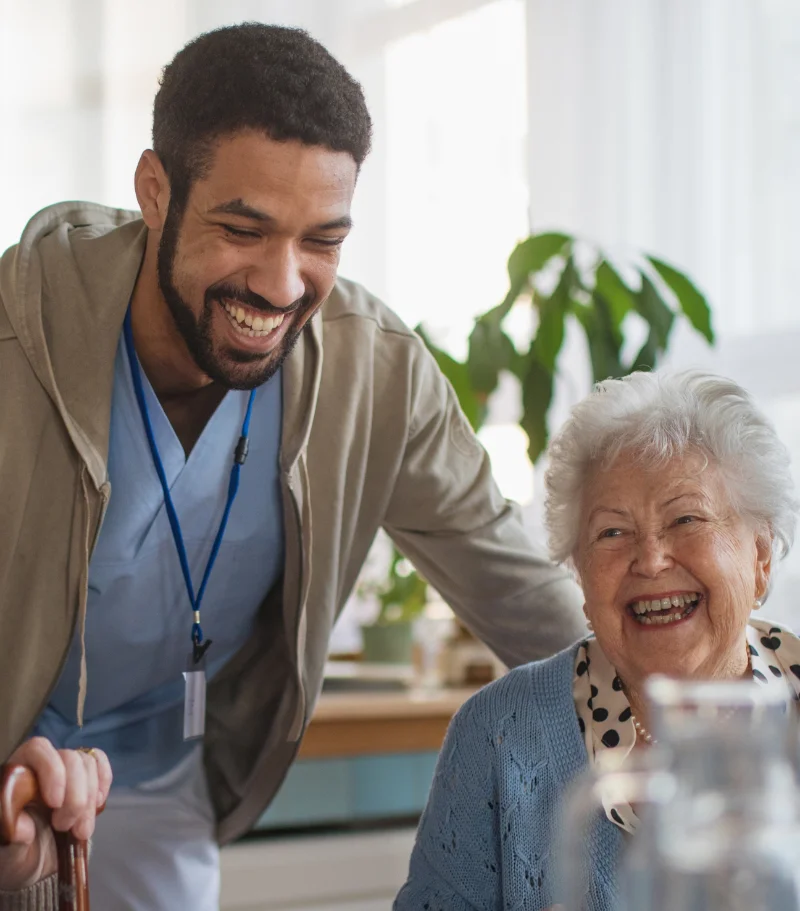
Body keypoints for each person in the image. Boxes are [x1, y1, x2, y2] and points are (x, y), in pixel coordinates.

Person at [0, 22, 586, 911]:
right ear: (155, 192)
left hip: (162, 782)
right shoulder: (15, 341)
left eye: (323, 239)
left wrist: (719, 698)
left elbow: (537, 603)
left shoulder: (374, 375)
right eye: (245, 228)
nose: (281, 284)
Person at [394, 370, 800, 911]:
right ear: (580, 575)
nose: (651, 559)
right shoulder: (498, 735)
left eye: (686, 518)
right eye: (612, 532)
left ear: (761, 556)